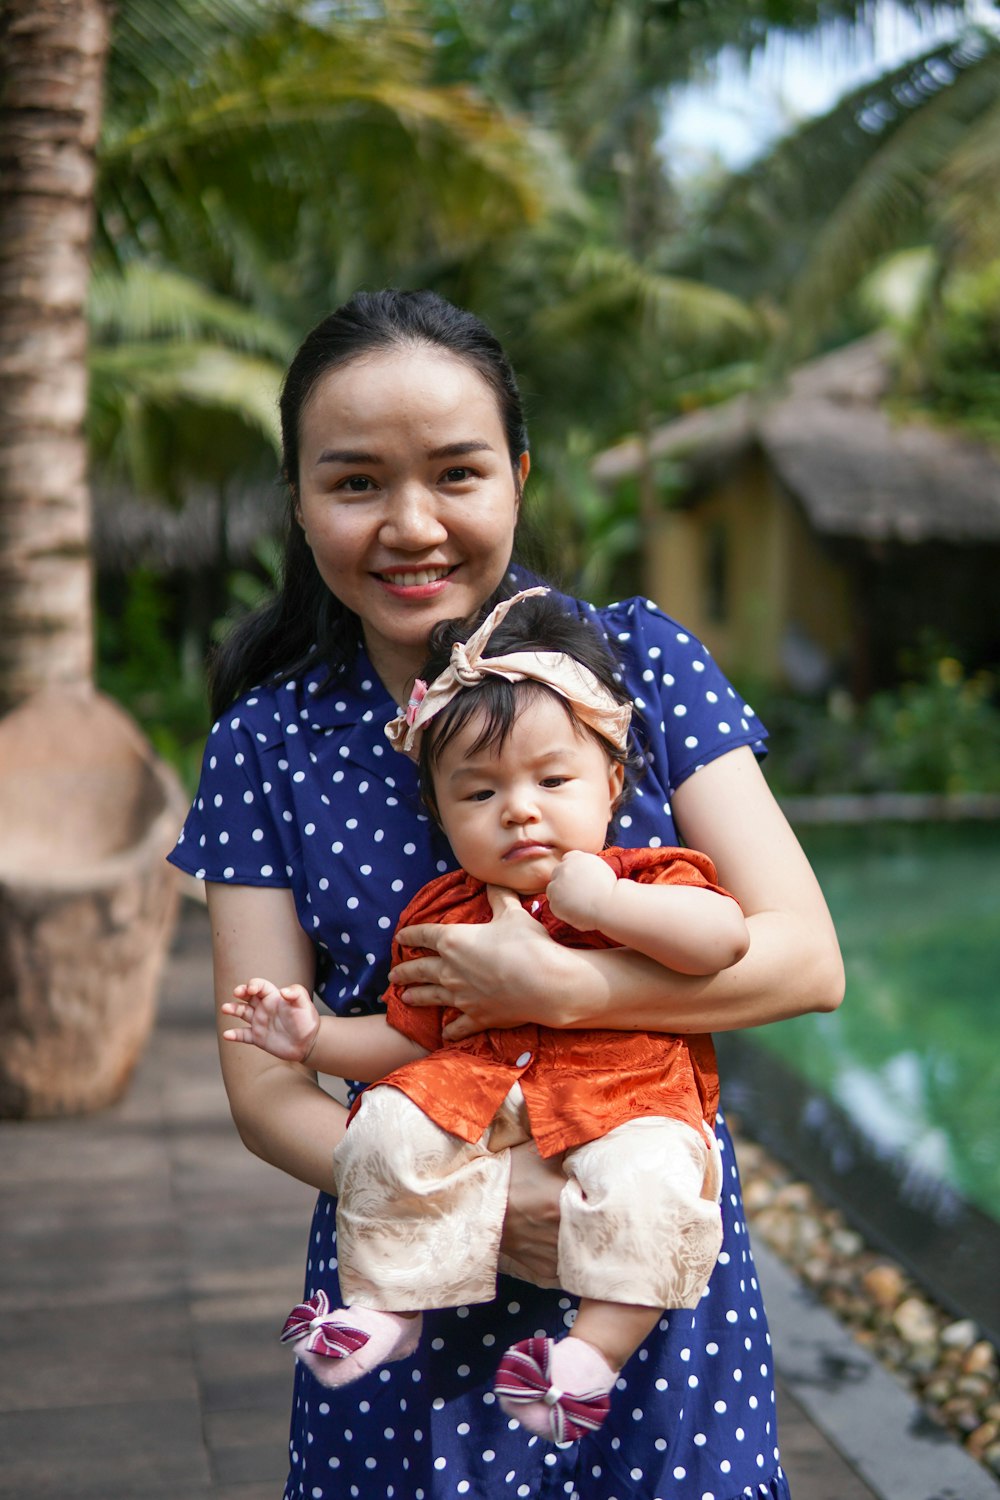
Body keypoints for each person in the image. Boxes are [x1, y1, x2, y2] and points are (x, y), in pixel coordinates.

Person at [168, 287, 844, 1500]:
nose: (411, 525)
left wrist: (563, 988)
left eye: (458, 474)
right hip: (401, 1275)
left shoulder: (641, 668)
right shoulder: (267, 742)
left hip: (641, 1288)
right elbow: (266, 1089)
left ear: (519, 475)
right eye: (355, 482)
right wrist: (483, 1208)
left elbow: (804, 962)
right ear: (299, 501)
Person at [220, 586, 752, 1445]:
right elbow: (406, 1035)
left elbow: (722, 940)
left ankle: (591, 1355)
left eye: (552, 779)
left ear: (613, 781)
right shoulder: (447, 912)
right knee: (382, 1126)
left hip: (624, 1104)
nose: (519, 808)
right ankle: (392, 1305)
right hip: (479, 1104)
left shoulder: (650, 875)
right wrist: (314, 1036)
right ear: (439, 810)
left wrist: (611, 905)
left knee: (657, 1179)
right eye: (479, 794)